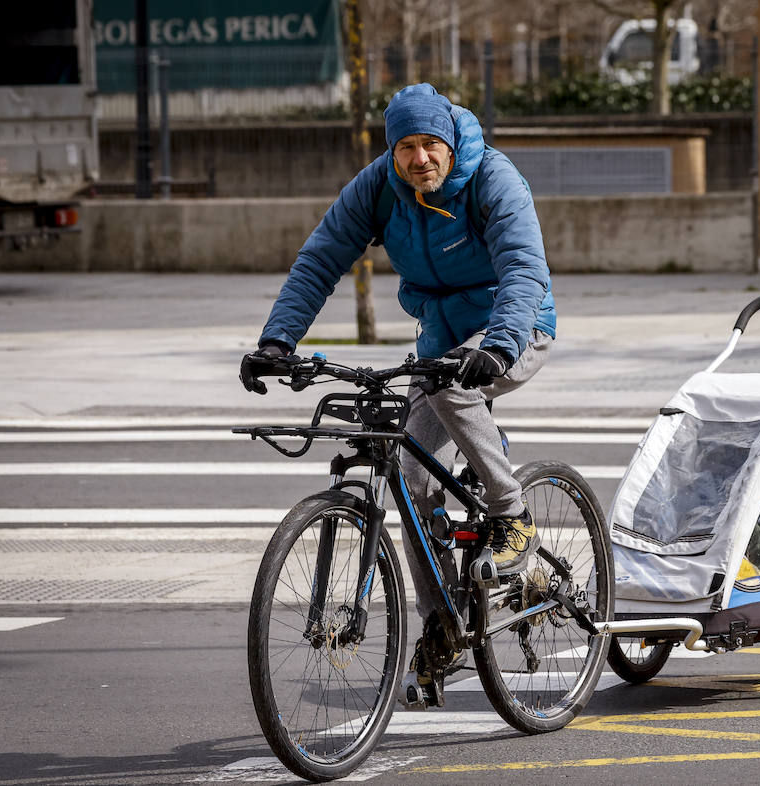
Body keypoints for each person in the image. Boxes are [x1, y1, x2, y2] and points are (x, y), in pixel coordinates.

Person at [238, 82, 555, 703]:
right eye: (406, 147)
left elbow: (523, 264)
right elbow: (322, 256)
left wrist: (501, 345)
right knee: (410, 476)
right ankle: (444, 618)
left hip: (514, 325)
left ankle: (511, 510)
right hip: (440, 333)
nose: (419, 159)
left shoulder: (493, 177)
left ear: (450, 141)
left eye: (430, 145)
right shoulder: (379, 185)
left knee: (454, 391)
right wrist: (278, 341)